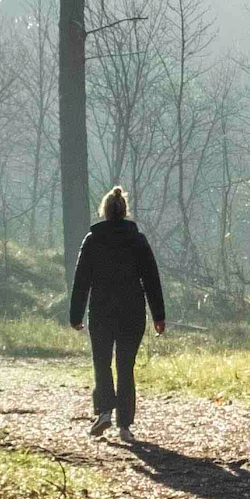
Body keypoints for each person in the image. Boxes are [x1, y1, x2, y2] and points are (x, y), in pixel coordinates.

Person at [70, 185, 165, 439]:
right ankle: (125, 425)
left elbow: (82, 280)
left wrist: (75, 315)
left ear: (104, 212)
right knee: (125, 366)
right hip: (131, 312)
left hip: (101, 311)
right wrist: (159, 315)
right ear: (124, 211)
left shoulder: (93, 240)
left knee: (102, 363)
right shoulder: (137, 240)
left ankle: (103, 413)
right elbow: (151, 279)